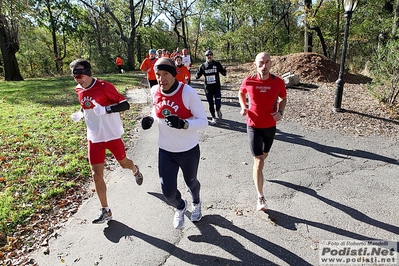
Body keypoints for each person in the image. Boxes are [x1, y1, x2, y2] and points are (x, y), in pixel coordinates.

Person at [69, 59, 144, 224]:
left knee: (124, 163)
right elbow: (86, 104)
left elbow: (125, 105)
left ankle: (135, 169)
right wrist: (81, 113)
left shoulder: (104, 87)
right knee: (96, 175)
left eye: (80, 75)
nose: (78, 79)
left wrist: (106, 109)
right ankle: (106, 210)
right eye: (75, 77)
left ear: (89, 72)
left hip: (111, 135)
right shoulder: (78, 89)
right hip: (94, 137)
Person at [141, 58, 208, 229]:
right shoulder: (155, 90)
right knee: (168, 192)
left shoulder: (188, 93)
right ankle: (180, 206)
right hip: (166, 150)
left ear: (174, 75)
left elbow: (203, 121)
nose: (161, 79)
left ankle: (196, 202)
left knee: (191, 182)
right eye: (158, 74)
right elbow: (157, 110)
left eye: (165, 74)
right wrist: (151, 118)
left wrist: (184, 124)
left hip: (188, 150)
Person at [238, 52, 287, 211]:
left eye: (267, 62)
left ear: (271, 64)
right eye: (260, 63)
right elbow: (241, 93)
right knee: (258, 161)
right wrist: (243, 106)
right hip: (253, 125)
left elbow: (283, 98)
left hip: (270, 126)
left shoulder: (278, 82)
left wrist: (281, 112)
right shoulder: (249, 80)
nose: (264, 66)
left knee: (264, 157)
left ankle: (258, 172)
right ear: (255, 64)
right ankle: (260, 197)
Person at [195, 50, 226, 125]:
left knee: (218, 102)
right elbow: (197, 76)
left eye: (210, 55)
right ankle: (214, 117)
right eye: (207, 55)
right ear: (205, 57)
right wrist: (197, 74)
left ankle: (218, 109)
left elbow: (223, 73)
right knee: (211, 104)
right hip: (208, 88)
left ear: (212, 56)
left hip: (216, 87)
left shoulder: (217, 64)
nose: (209, 56)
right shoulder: (203, 66)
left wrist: (224, 70)